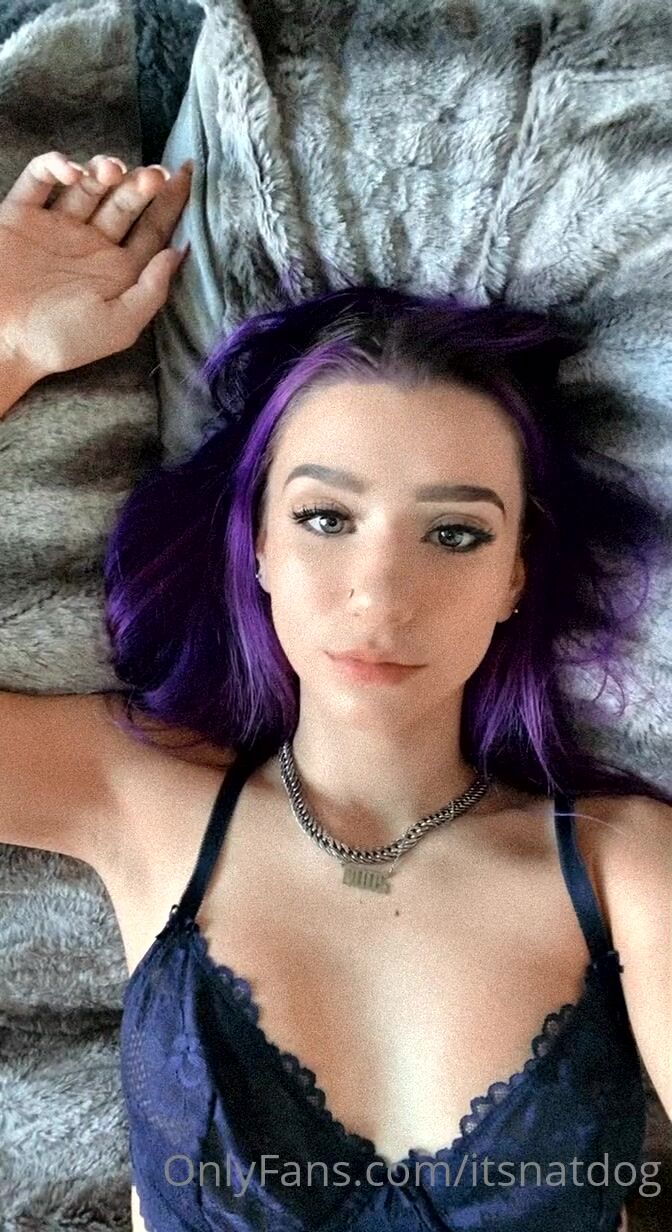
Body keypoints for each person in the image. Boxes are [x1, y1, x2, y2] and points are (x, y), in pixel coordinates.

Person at [0, 151, 670, 1232]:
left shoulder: (622, 864)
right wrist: (8, 344)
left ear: (515, 574)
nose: (381, 593)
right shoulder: (140, 796)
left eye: (455, 534)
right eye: (325, 517)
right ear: (257, 543)